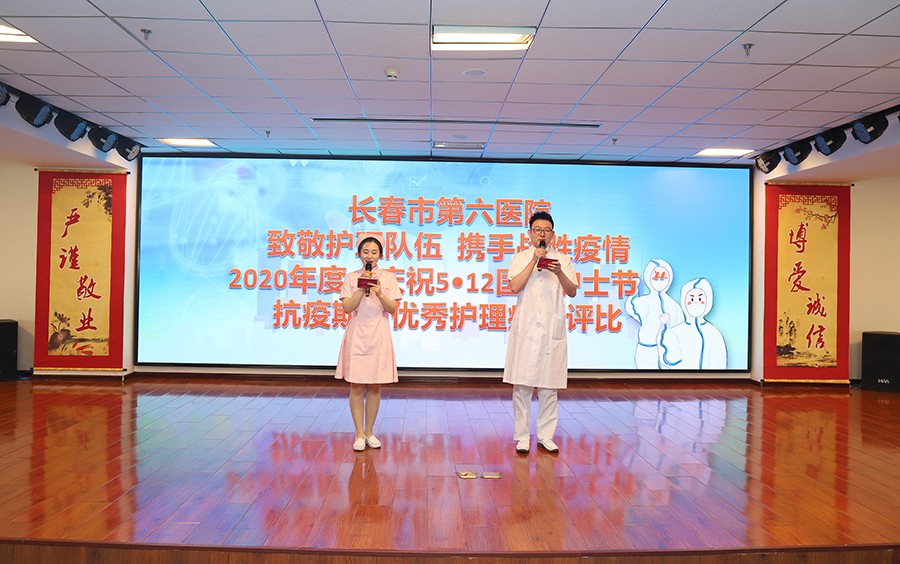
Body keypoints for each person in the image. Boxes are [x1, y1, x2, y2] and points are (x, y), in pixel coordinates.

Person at [503, 211, 578, 453]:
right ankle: (522, 436)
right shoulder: (520, 258)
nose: (541, 234)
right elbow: (515, 286)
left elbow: (572, 291)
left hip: (551, 330)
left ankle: (546, 436)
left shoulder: (562, 259)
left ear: (553, 234)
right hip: (526, 330)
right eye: (537, 230)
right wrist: (534, 261)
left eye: (546, 230)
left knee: (549, 386)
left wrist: (559, 272)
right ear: (530, 234)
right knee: (522, 386)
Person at [336, 236, 402, 451]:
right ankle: (358, 434)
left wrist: (379, 292)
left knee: (374, 385)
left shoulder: (388, 277)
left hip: (378, 333)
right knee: (356, 385)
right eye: (365, 252)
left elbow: (392, 309)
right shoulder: (351, 277)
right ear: (359, 254)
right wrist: (360, 287)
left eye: (374, 252)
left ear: (380, 255)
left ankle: (370, 432)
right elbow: (347, 308)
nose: (369, 256)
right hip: (358, 334)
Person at [624, 258, 684, 369]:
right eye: (656, 277)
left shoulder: (674, 305)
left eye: (663, 277)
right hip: (646, 348)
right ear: (648, 277)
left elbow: (680, 328)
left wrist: (666, 326)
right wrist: (634, 291)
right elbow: (632, 308)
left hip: (667, 351)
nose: (660, 280)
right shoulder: (644, 301)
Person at [657, 277, 727, 370]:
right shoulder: (676, 332)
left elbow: (719, 362)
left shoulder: (713, 333)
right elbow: (667, 358)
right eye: (692, 299)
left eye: (700, 299)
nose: (696, 302)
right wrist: (664, 327)